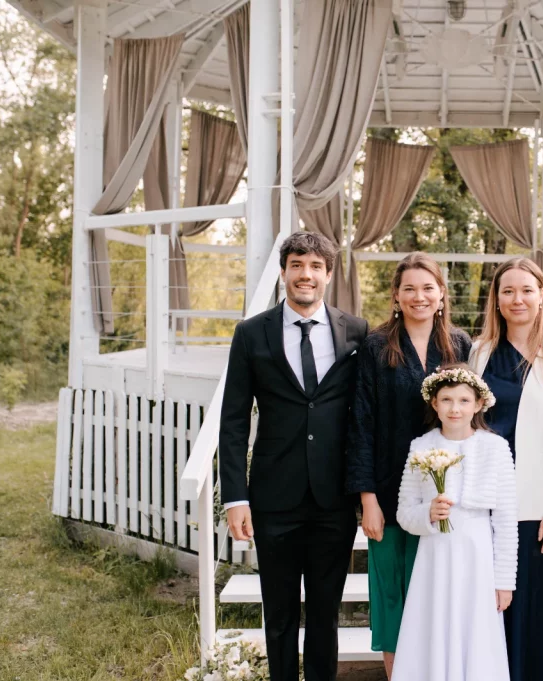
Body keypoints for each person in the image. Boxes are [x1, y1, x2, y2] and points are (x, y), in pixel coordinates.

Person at [218, 232, 369, 681]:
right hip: (273, 497)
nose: (306, 274)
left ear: (329, 274)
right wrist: (235, 497)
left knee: (325, 615)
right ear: (284, 272)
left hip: (333, 498)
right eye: (297, 264)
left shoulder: (356, 332)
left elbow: (365, 415)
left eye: (316, 266)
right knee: (279, 614)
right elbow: (233, 420)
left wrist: (367, 491)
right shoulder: (251, 333)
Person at [346, 252, 472, 678]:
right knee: (393, 597)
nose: (419, 296)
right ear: (396, 296)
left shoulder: (459, 345)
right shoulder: (376, 346)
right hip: (388, 491)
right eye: (409, 288)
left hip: (445, 496)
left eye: (428, 288)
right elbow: (360, 423)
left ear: (442, 294)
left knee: (438, 597)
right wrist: (367, 500)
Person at [469, 257, 543, 681]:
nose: (518, 299)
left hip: (535, 507)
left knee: (535, 612)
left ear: (541, 295)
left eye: (527, 290)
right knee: (488, 609)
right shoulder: (478, 353)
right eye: (508, 291)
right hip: (484, 501)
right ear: (496, 299)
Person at [391, 365, 519, 681]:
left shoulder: (495, 448)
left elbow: (505, 520)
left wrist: (504, 581)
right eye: (446, 400)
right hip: (434, 556)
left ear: (478, 404)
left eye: (464, 400)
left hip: (477, 557)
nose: (455, 409)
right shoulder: (421, 446)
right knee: (433, 627)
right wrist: (428, 514)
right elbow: (405, 512)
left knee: (474, 631)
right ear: (434, 403)